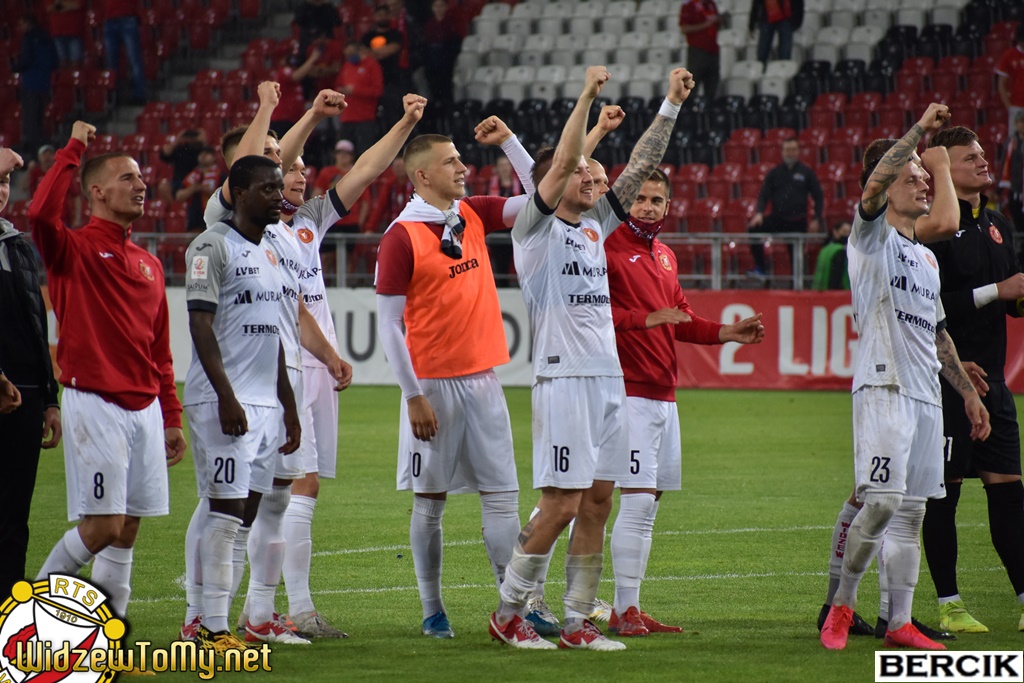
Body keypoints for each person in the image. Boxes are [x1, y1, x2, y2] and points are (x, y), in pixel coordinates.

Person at [488, 65, 694, 651]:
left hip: (609, 381)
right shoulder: (535, 227)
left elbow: (641, 163)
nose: (592, 179)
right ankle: (509, 612)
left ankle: (578, 622)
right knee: (560, 505)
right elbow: (562, 162)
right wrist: (586, 98)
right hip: (564, 380)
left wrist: (671, 104)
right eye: (581, 171)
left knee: (597, 505)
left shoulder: (597, 227)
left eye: (596, 175)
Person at [819, 104, 992, 651]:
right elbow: (873, 187)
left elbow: (938, 333)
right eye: (913, 176)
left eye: (924, 175)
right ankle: (843, 603)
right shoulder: (870, 237)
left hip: (926, 396)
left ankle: (898, 623)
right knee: (882, 502)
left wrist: (967, 395)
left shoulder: (926, 259)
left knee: (912, 514)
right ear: (886, 185)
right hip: (883, 388)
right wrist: (919, 131)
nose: (924, 184)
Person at [374, 110, 537, 638]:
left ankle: (514, 605)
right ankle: (432, 609)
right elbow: (389, 325)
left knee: (503, 496)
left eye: (461, 159)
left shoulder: (472, 212)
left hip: (483, 379)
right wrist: (412, 396)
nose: (463, 167)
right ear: (422, 175)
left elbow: (543, 198)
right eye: (451, 162)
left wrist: (510, 143)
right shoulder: (401, 237)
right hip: (432, 387)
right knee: (430, 501)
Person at [30, 121, 187, 619]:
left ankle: (106, 636)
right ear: (96, 192)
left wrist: (171, 415)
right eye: (127, 178)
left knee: (128, 528)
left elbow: (159, 351)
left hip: (145, 408)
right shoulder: (71, 249)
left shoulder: (149, 264)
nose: (141, 185)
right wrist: (73, 149)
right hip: (96, 402)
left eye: (141, 178)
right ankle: (29, 624)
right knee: (103, 526)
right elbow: (39, 213)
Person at [603, 168, 765, 635]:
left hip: (664, 396)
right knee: (635, 502)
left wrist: (726, 333)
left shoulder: (665, 255)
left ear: (669, 207)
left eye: (656, 200)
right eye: (639, 198)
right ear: (625, 201)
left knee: (649, 505)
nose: (647, 207)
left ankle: (628, 607)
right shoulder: (607, 247)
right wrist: (644, 318)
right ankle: (621, 610)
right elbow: (592, 313)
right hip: (628, 391)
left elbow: (681, 318)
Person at [183, 154, 301, 653]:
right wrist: (226, 396)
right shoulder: (212, 245)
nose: (280, 196)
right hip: (223, 402)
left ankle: (211, 623)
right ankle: (207, 626)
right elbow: (200, 325)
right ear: (241, 193)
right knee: (226, 513)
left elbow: (273, 335)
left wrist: (288, 406)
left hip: (265, 405)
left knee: (245, 516)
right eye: (269, 189)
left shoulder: (271, 250)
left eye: (280, 187)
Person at [920, 125, 1024, 634]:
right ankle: (950, 604)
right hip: (949, 383)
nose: (983, 162)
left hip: (996, 384)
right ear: (944, 169)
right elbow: (932, 305)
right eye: (969, 157)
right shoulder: (934, 226)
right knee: (945, 496)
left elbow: (1011, 294)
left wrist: (1016, 297)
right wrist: (996, 291)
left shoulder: (998, 222)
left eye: (982, 154)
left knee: (1010, 495)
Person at [0, 146, 62, 598]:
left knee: (14, 514)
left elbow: (36, 324)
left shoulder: (16, 244)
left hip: (24, 397)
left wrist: (49, 397)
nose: (1, 191)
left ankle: (8, 606)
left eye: (4, 183)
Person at [747, 138, 824, 278]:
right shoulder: (774, 173)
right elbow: (763, 195)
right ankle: (761, 268)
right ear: (782, 152)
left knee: (796, 257)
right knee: (754, 229)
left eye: (793, 150)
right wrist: (759, 213)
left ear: (798, 151)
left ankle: (795, 284)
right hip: (777, 219)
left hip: (797, 222)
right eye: (787, 150)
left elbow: (818, 197)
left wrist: (816, 218)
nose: (790, 153)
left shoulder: (806, 172)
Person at [14, 14, 58, 157]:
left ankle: (34, 152)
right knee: (40, 119)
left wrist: (14, 67)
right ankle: (41, 148)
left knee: (31, 120)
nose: (20, 27)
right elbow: (55, 61)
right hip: (44, 84)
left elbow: (26, 60)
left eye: (22, 24)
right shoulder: (47, 37)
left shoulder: (29, 38)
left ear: (28, 23)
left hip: (31, 84)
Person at [336, 41, 385, 156]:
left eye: (351, 53)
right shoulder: (347, 65)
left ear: (360, 51)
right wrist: (341, 90)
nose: (349, 57)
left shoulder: (372, 65)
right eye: (347, 55)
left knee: (364, 153)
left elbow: (378, 91)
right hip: (347, 117)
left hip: (365, 118)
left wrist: (355, 90)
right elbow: (338, 84)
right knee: (344, 153)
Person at [361, 4, 406, 125]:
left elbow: (393, 49)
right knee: (372, 115)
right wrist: (381, 52)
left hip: (392, 79)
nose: (382, 17)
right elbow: (363, 54)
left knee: (393, 113)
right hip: (371, 80)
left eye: (384, 14)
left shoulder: (395, 34)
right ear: (374, 17)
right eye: (379, 15)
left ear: (389, 16)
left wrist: (373, 53)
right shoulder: (367, 36)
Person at [101, 0, 146, 104]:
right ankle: (114, 96)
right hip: (109, 19)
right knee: (111, 62)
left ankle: (139, 95)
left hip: (127, 17)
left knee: (134, 59)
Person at [422, 0, 461, 113]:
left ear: (446, 7)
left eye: (441, 6)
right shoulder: (428, 25)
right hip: (432, 64)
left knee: (446, 90)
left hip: (447, 62)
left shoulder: (451, 24)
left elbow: (455, 43)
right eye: (436, 6)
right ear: (432, 8)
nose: (438, 9)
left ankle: (449, 113)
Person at [29, 144, 81, 228]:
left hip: (63, 221)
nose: (47, 157)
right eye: (44, 154)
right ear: (39, 157)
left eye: (50, 154)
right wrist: (28, 171)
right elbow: (25, 189)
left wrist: (77, 219)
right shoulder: (35, 174)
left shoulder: (64, 173)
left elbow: (76, 196)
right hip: (42, 220)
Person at [678, 0, 721, 100]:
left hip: (713, 50)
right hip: (697, 50)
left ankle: (709, 106)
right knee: (693, 85)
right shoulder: (689, 5)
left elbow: (716, 25)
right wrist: (706, 24)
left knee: (712, 86)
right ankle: (691, 107)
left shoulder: (711, 4)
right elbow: (684, 28)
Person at [176, 146, 221, 231]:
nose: (203, 155)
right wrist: (194, 188)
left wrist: (207, 191)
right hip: (194, 220)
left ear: (214, 157)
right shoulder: (191, 176)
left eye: (207, 153)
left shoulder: (220, 175)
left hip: (214, 220)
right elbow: (179, 196)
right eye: (201, 153)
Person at [749, 0, 803, 66]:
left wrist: (797, 21)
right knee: (763, 52)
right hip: (767, 17)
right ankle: (761, 70)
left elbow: (798, 2)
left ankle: (783, 70)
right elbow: (756, 3)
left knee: (785, 53)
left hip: (786, 17)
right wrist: (751, 24)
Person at [998, 111, 1024, 232]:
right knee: (1016, 217)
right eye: (1021, 122)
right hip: (1015, 187)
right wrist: (998, 189)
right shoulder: (1011, 142)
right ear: (1016, 123)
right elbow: (1004, 164)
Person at [996, 24, 1024, 134]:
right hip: (1016, 105)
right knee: (1015, 137)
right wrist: (1009, 106)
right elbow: (1001, 84)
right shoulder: (1009, 55)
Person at [811, 220, 851, 291]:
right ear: (835, 231)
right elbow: (837, 277)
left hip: (821, 290)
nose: (847, 235)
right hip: (838, 292)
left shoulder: (825, 250)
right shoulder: (840, 251)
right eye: (844, 231)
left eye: (849, 232)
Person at [47, 0, 83, 66]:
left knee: (75, 62)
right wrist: (68, 6)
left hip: (74, 30)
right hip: (57, 31)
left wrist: (59, 5)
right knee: (61, 61)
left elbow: (77, 5)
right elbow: (49, 7)